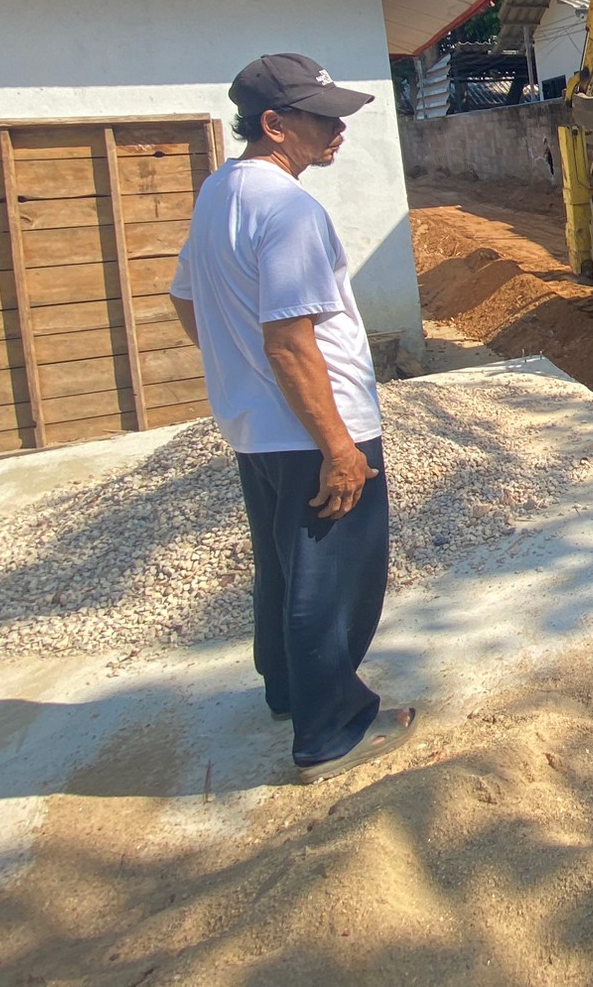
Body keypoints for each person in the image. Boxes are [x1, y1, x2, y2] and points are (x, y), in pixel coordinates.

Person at [169, 53, 417, 783]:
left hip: (260, 430)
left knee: (284, 569)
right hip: (315, 430)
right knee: (331, 584)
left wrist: (239, 370)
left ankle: (287, 691)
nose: (339, 130)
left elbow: (184, 297)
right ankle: (331, 733)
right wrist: (338, 447)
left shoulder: (220, 192)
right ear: (274, 124)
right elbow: (288, 341)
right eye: (323, 118)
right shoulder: (290, 210)